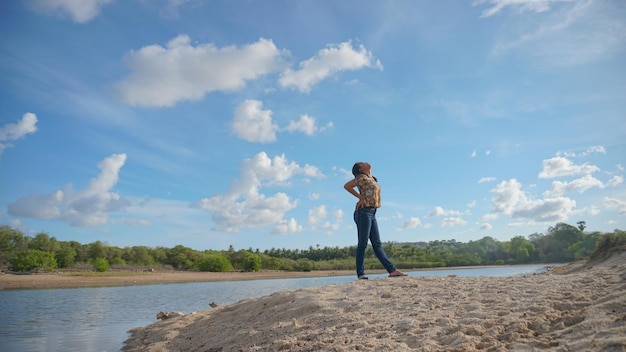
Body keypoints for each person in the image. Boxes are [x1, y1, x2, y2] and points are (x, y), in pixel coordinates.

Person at [344, 162, 408, 280]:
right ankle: (361, 273)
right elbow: (347, 186)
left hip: (372, 212)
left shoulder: (370, 178)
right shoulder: (361, 178)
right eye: (362, 163)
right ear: (360, 169)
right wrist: (360, 197)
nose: (366, 163)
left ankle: (392, 270)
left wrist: (369, 173)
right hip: (364, 212)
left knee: (377, 244)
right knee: (362, 244)